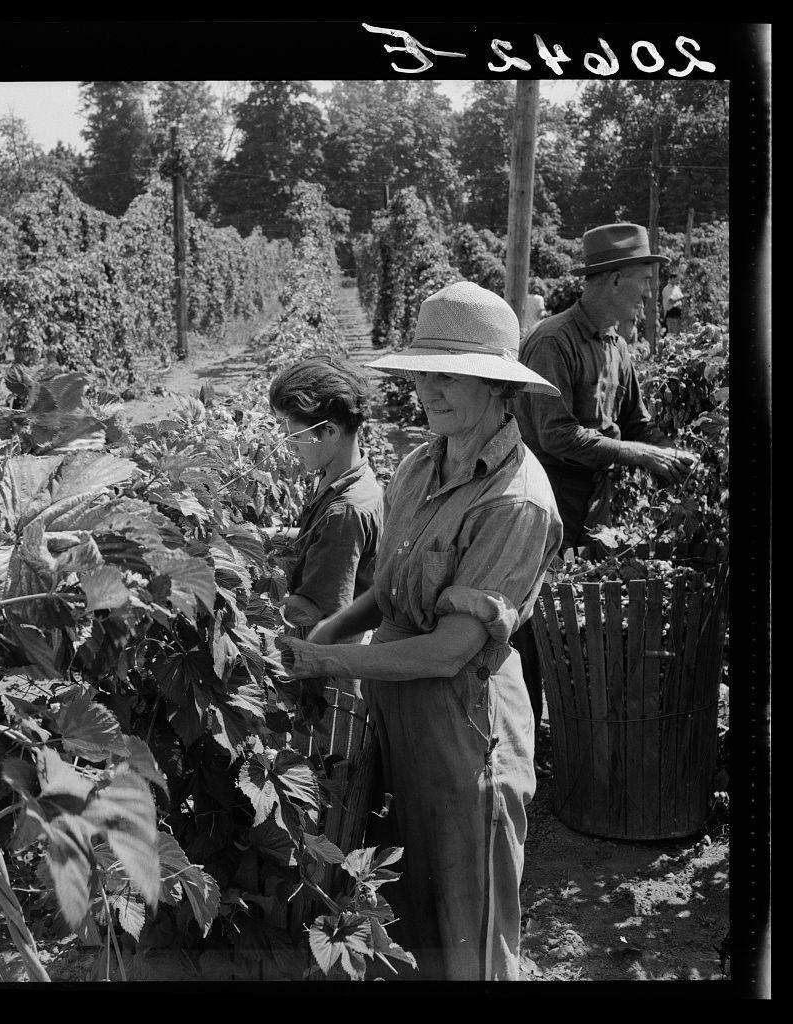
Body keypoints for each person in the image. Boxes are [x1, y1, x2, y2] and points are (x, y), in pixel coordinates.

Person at [276, 282, 563, 981]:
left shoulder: (516, 500)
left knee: (473, 932)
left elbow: (452, 648)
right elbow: (386, 593)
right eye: (422, 372)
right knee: (417, 918)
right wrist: (326, 640)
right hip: (401, 718)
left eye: (449, 374)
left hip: (469, 734)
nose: (428, 388)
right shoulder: (419, 464)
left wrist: (318, 660)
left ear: (499, 390)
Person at [510, 223, 696, 751]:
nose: (649, 297)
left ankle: (567, 735)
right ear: (613, 280)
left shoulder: (616, 346)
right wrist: (641, 455)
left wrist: (674, 453)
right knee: (534, 623)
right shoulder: (552, 342)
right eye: (643, 282)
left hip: (594, 510)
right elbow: (556, 433)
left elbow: (636, 425)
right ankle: (527, 742)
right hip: (543, 505)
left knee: (579, 620)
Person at [264, 356, 383, 640]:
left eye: (294, 437)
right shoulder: (345, 475)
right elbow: (322, 538)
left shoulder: (345, 512)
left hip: (329, 669)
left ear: (329, 432)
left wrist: (244, 590)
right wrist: (271, 535)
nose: (290, 447)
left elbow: (313, 609)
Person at [662, 269, 684, 334]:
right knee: (671, 334)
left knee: (678, 333)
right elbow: (670, 301)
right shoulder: (667, 289)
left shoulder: (677, 288)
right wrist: (681, 298)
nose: (677, 281)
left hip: (678, 313)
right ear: (671, 278)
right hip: (671, 313)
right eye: (676, 279)